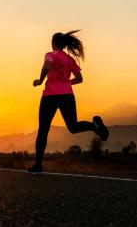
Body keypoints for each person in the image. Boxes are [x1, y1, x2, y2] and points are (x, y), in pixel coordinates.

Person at [28, 30, 108, 173]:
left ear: (54, 43)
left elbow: (46, 66)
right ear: (64, 45)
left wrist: (40, 81)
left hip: (50, 96)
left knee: (43, 130)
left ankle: (38, 166)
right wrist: (65, 83)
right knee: (73, 126)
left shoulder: (50, 55)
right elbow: (80, 79)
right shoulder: (70, 60)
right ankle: (95, 127)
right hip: (67, 96)